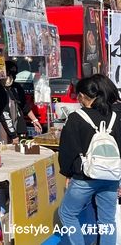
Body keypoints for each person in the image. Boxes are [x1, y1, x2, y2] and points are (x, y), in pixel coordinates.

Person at [58, 75, 121, 245]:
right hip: (111, 177)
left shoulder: (76, 118)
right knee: (107, 221)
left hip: (84, 178)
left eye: (78, 95)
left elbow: (67, 150)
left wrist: (67, 173)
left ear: (83, 96)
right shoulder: (115, 116)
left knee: (67, 214)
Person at [0, 60, 42, 144]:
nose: (10, 77)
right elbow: (3, 113)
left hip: (17, 125)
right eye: (8, 74)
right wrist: (13, 135)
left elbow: (24, 105)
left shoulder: (16, 87)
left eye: (12, 75)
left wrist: (35, 120)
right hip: (0, 126)